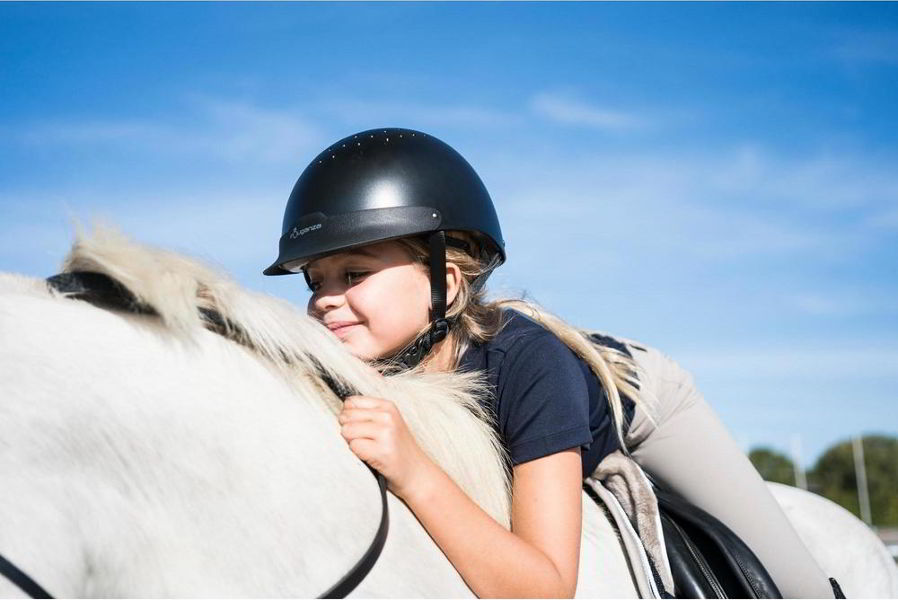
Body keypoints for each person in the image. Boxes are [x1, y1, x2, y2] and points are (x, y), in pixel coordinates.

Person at [263, 128, 834, 598]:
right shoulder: (350, 366)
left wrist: (414, 470)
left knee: (797, 588)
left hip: (643, 400)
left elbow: (546, 591)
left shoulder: (530, 365)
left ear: (445, 284)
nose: (324, 300)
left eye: (354, 274)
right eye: (315, 281)